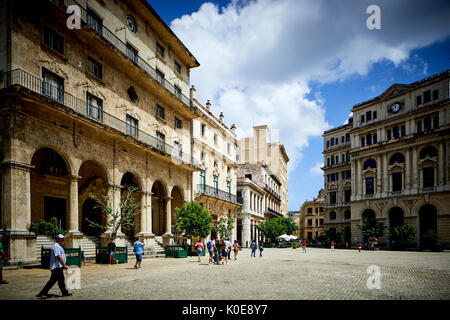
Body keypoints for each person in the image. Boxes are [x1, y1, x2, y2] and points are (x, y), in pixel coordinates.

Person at [36, 234, 71, 298]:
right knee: (52, 281)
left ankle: (64, 292)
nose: (62, 240)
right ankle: (43, 293)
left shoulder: (58, 246)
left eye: (63, 239)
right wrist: (64, 265)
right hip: (56, 267)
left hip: (58, 267)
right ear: (57, 239)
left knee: (61, 280)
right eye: (61, 239)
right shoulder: (56, 246)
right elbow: (58, 256)